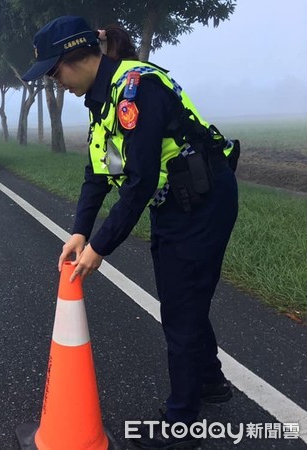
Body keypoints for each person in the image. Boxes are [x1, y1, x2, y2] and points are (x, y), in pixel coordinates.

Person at [21, 16, 239, 450]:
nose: (53, 82)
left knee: (180, 307)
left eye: (53, 71)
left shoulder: (137, 89)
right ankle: (210, 383)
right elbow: (97, 173)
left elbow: (137, 182)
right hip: (175, 202)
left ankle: (181, 425)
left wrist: (100, 247)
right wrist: (80, 231)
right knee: (183, 300)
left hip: (203, 201)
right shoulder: (101, 101)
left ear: (74, 57)